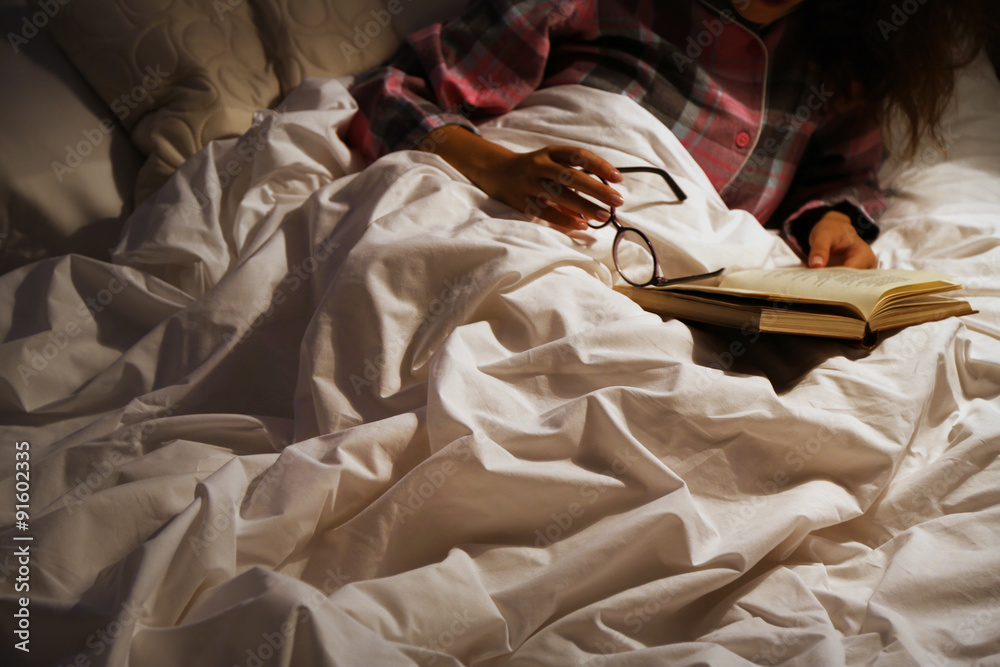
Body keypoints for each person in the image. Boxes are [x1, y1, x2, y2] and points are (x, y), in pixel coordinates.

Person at [347, 0, 987, 269]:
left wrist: (832, 222)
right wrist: (495, 168)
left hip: (683, 270)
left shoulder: (839, 62)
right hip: (515, 213)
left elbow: (842, 178)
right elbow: (393, 93)